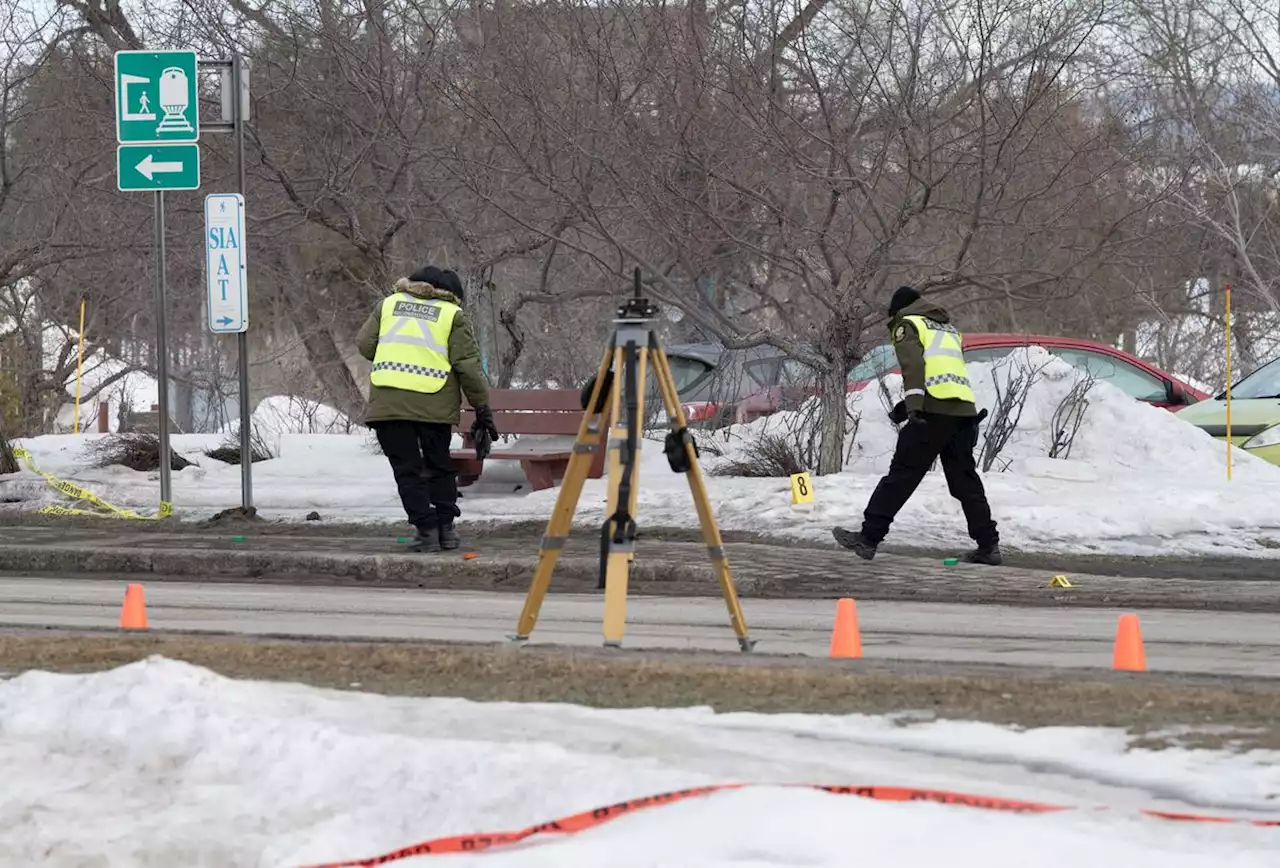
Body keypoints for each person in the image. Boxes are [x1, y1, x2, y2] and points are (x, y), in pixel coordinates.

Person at [832, 286, 1002, 565]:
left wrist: (914, 408)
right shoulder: (946, 328)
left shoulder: (907, 324)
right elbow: (942, 373)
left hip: (932, 414)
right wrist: (906, 406)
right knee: (965, 483)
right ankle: (988, 546)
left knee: (901, 476)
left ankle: (868, 538)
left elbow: (914, 368)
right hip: (962, 412)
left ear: (899, 311)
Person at [357, 265, 499, 553]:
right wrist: (482, 407)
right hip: (434, 404)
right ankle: (446, 530)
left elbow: (365, 345)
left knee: (406, 470)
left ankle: (426, 530)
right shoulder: (451, 315)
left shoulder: (388, 305)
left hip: (390, 403)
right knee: (438, 465)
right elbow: (468, 367)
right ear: (452, 295)